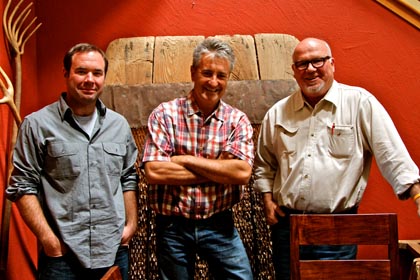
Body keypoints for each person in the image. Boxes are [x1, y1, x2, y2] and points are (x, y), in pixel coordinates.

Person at [253, 37, 420, 280]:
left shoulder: (360, 103)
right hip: (288, 228)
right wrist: (267, 199)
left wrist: (416, 193)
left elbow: (391, 153)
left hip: (339, 226)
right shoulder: (277, 113)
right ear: (293, 71)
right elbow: (264, 165)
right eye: (302, 64)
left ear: (332, 63)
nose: (310, 69)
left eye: (317, 61)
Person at [6, 43, 139, 280]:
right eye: (81, 71)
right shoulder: (37, 125)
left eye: (97, 73)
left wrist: (131, 225)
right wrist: (49, 241)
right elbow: (22, 186)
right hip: (62, 257)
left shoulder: (118, 125)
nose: (90, 79)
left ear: (104, 78)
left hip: (112, 251)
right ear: (66, 73)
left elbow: (127, 176)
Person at [142, 37, 254, 280]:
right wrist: (220, 169)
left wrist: (183, 159)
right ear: (193, 72)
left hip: (219, 225)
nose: (214, 82)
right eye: (207, 73)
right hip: (172, 226)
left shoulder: (238, 120)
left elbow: (242, 174)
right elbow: (155, 172)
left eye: (221, 75)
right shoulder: (165, 115)